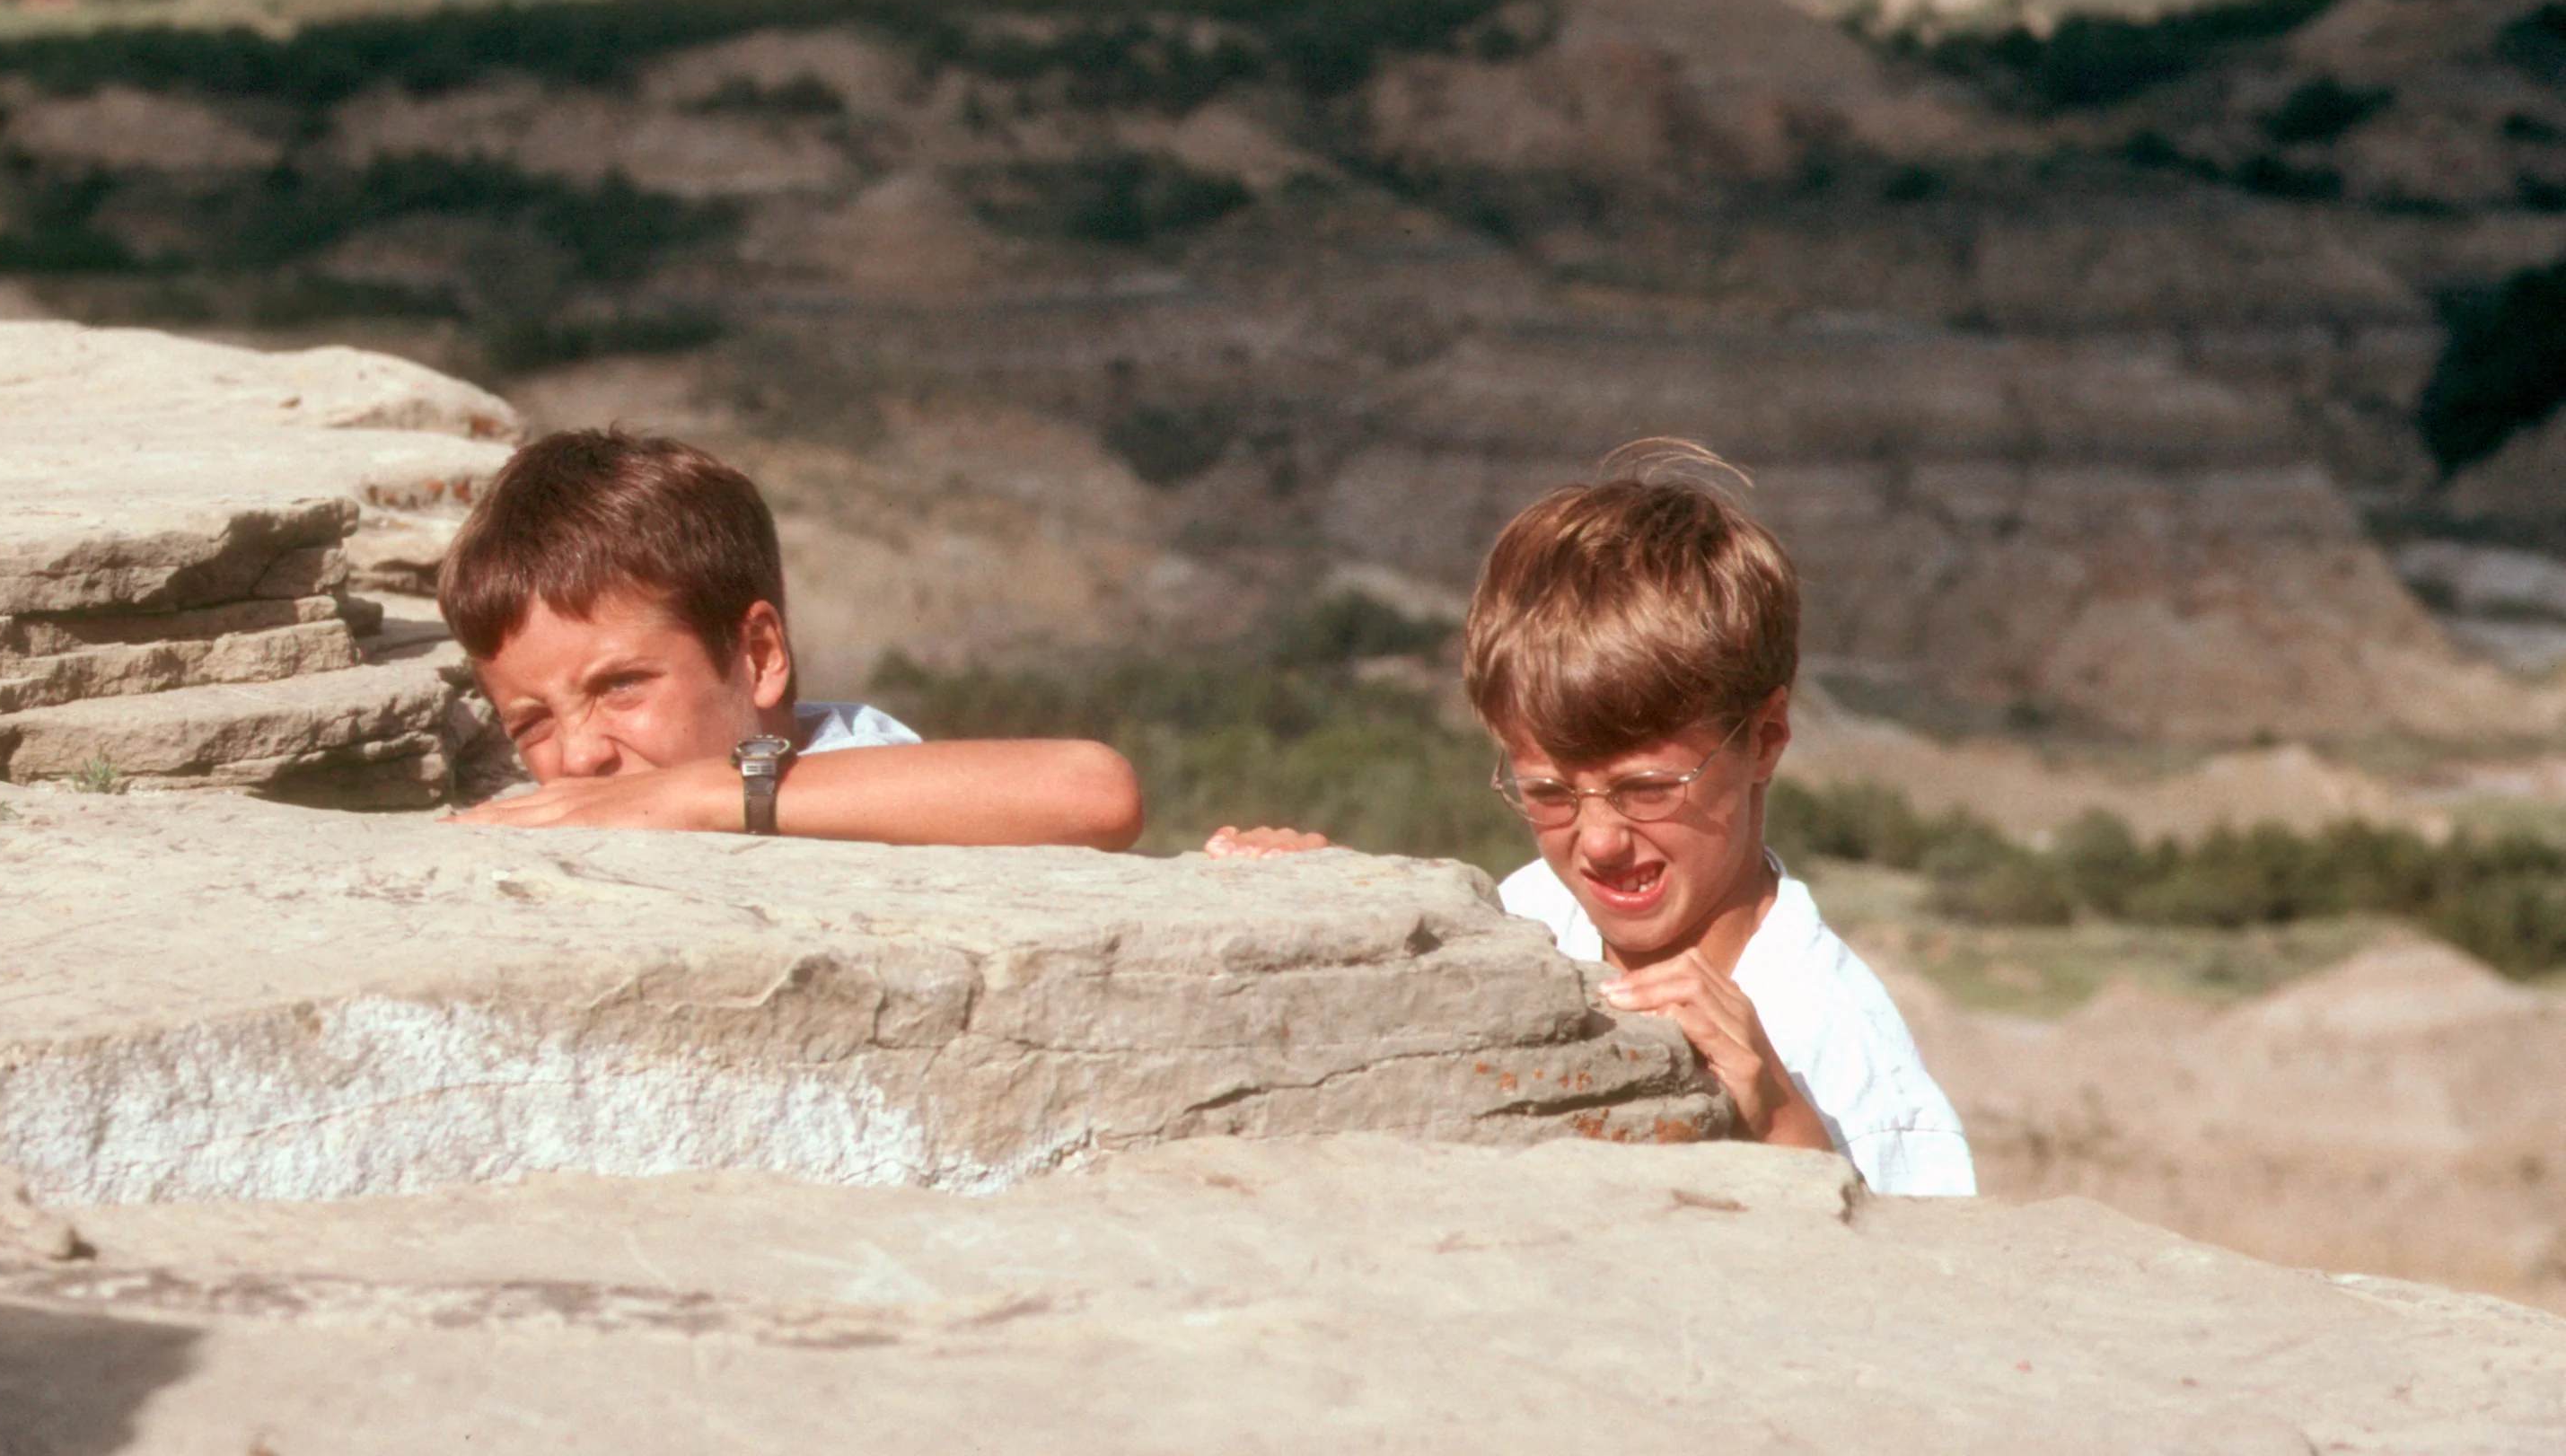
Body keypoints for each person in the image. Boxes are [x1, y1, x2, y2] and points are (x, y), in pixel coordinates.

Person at [1212, 441, 1973, 1197]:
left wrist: (1780, 1125)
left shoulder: (1838, 1053)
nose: (1600, 843)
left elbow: (1913, 1298)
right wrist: (1326, 901)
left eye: (1648, 788)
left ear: (1765, 740)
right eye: (1548, 793)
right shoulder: (1532, 913)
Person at [437, 428, 1143, 848]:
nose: (579, 756)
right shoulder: (580, 803)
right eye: (531, 722)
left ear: (759, 656)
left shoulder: (856, 770)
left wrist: (706, 796)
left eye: (619, 687)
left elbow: (1094, 791)